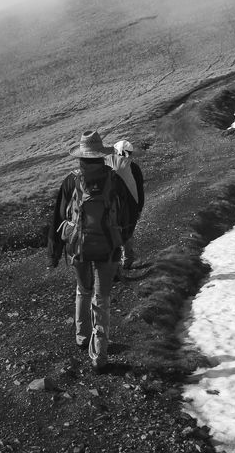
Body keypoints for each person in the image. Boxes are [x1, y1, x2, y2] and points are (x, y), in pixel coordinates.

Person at [47, 130, 131, 373]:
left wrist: (53, 254)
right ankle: (99, 355)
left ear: (81, 156)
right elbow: (126, 216)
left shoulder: (71, 181)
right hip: (108, 248)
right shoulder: (115, 180)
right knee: (102, 298)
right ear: (101, 155)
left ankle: (82, 337)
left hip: (78, 248)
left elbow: (58, 218)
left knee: (83, 290)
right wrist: (122, 243)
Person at [104, 139, 145, 268]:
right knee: (128, 232)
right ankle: (127, 260)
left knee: (112, 232)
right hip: (130, 206)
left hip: (110, 207)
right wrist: (139, 208)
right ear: (129, 153)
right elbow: (139, 190)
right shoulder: (133, 167)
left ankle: (113, 264)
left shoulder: (107, 162)